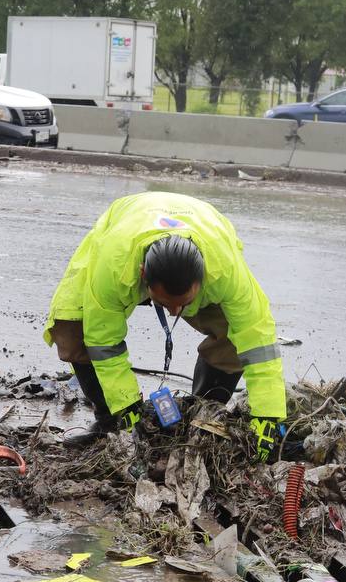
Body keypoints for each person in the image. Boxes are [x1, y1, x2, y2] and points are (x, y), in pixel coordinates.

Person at [44, 191, 287, 460]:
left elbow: (259, 344)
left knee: (233, 338)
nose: (173, 312)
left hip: (206, 228)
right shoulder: (114, 266)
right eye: (164, 303)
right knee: (71, 331)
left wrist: (267, 415)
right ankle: (109, 424)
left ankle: (202, 416)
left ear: (202, 279)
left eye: (182, 304)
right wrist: (126, 407)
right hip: (125, 230)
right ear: (142, 276)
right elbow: (103, 342)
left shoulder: (226, 271)